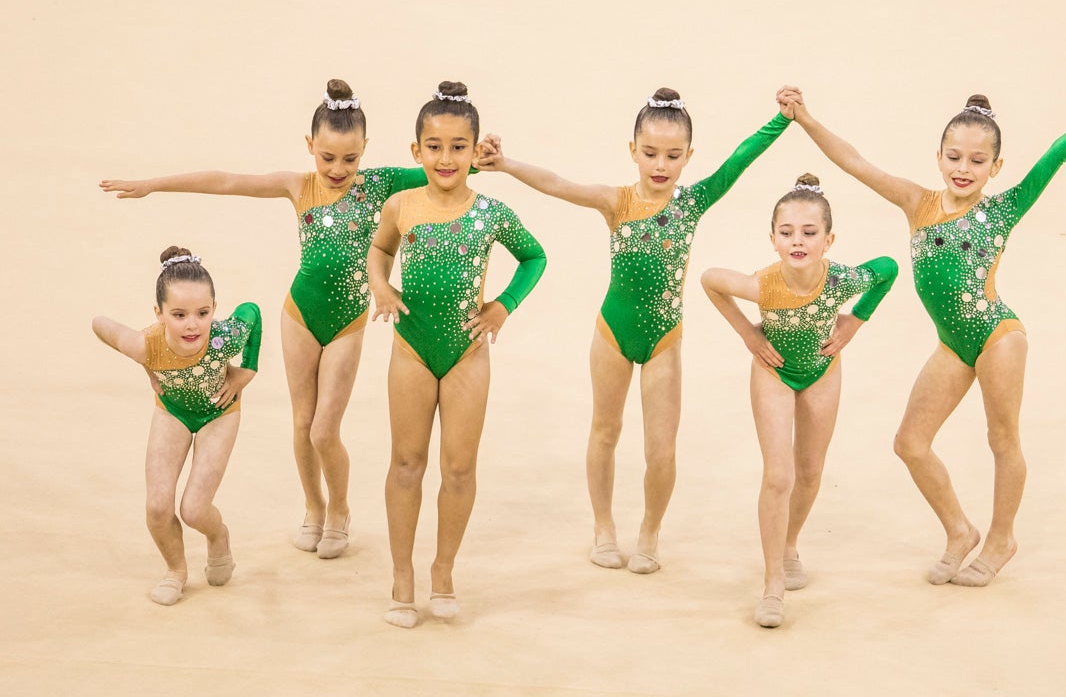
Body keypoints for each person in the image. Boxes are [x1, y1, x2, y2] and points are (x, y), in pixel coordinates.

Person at [785, 71, 1066, 585]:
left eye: (978, 161)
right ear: (939, 157)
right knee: (910, 442)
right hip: (953, 346)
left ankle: (1002, 539)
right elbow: (854, 161)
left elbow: (1057, 152)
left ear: (995, 166)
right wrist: (804, 118)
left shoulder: (1004, 209)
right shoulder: (918, 203)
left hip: (999, 336)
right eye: (954, 157)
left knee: (1002, 439)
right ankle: (960, 530)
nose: (964, 168)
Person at [100, 79, 428, 558]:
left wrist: (485, 158)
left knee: (323, 430)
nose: (338, 169)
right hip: (298, 317)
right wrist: (155, 185)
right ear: (310, 146)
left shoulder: (382, 184)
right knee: (300, 426)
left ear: (365, 151)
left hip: (347, 324)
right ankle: (313, 508)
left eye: (350, 159)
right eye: (327, 157)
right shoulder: (298, 186)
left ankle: (339, 509)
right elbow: (227, 181)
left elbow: (448, 165)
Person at [476, 86, 794, 573]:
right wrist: (506, 164)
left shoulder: (692, 201)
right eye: (649, 153)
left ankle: (649, 533)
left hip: (665, 338)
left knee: (660, 447)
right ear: (633, 152)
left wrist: (783, 119)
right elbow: (558, 183)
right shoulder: (616, 201)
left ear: (689, 156)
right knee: (605, 430)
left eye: (672, 155)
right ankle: (604, 528)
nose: (660, 164)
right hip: (612, 331)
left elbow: (739, 160)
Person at [368, 81, 546, 628]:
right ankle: (403, 575)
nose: (446, 158)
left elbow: (535, 257)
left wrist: (503, 306)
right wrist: (380, 285)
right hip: (412, 350)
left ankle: (443, 570)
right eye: (435, 146)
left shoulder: (490, 212)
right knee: (406, 463)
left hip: (467, 353)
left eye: (458, 146)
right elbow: (378, 249)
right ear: (416, 150)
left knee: (460, 467)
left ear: (474, 151)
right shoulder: (402, 204)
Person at [701, 174, 896, 626]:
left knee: (809, 471)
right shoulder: (763, 285)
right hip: (774, 372)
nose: (798, 241)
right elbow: (711, 280)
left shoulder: (840, 280)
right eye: (787, 233)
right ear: (772, 239)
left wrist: (856, 320)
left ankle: (789, 545)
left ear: (829, 240)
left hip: (823, 372)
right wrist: (748, 333)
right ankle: (772, 584)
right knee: (778, 475)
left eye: (809, 233)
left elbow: (887, 267)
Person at [92, 246, 262, 605]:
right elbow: (100, 324)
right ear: (159, 313)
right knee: (157, 507)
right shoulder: (147, 343)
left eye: (202, 313)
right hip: (173, 412)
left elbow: (253, 312)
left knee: (195, 509)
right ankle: (176, 571)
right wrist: (146, 364)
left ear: (214, 309)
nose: (192, 325)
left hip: (220, 412)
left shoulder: (223, 337)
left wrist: (247, 370)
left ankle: (219, 538)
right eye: (179, 314)